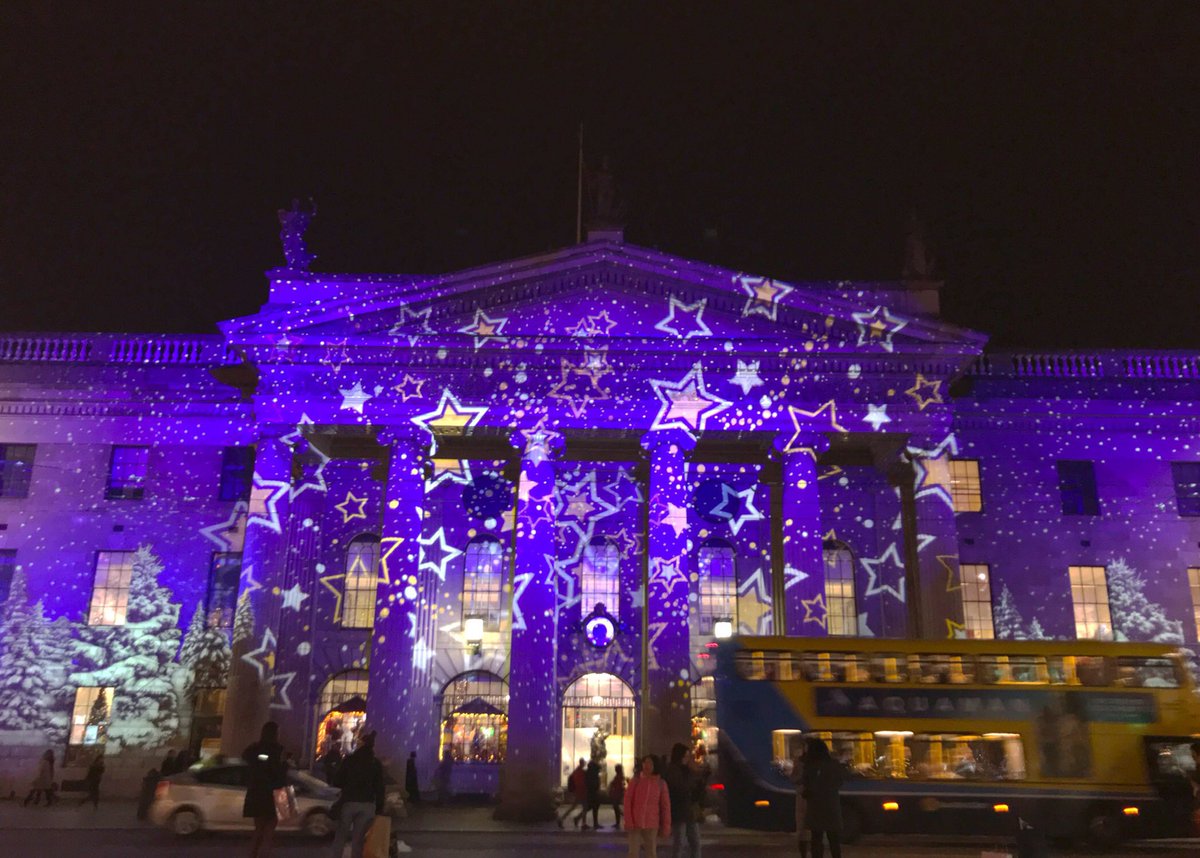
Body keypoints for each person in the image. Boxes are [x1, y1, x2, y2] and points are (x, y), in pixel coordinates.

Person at [329, 730, 386, 858]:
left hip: (349, 802)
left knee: (340, 837)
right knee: (358, 840)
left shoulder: (350, 760)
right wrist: (380, 807)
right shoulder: (375, 763)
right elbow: (380, 787)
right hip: (367, 804)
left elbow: (337, 781)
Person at [242, 721, 288, 858]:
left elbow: (246, 757)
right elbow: (281, 772)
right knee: (269, 832)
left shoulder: (254, 748)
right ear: (275, 734)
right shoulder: (279, 750)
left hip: (257, 791)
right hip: (276, 792)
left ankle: (253, 855)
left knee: (258, 830)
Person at [802, 738, 844, 858]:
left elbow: (806, 783)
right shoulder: (834, 764)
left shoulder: (810, 766)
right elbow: (840, 782)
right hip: (831, 805)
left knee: (816, 838)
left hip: (815, 806)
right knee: (834, 839)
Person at [623, 754, 670, 858]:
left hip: (652, 824)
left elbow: (665, 807)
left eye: (650, 763)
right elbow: (627, 801)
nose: (646, 765)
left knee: (651, 853)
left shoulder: (661, 784)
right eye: (645, 763)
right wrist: (628, 820)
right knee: (633, 853)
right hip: (635, 823)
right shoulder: (635, 781)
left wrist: (666, 826)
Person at [664, 743, 701, 858]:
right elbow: (681, 788)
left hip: (688, 811)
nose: (687, 759)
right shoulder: (673, 770)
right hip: (679, 812)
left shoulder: (685, 770)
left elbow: (694, 789)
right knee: (680, 843)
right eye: (685, 756)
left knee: (695, 843)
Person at [790, 747, 810, 858]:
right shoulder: (817, 762)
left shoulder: (798, 762)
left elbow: (793, 778)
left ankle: (803, 853)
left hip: (801, 796)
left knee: (802, 826)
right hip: (812, 797)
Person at [557, 758, 588, 828]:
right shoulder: (582, 772)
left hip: (577, 791)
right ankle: (583, 823)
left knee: (574, 807)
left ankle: (562, 819)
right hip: (581, 792)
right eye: (584, 763)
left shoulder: (575, 772)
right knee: (585, 807)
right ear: (582, 763)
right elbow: (583, 783)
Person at [584, 759, 602, 830]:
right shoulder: (592, 775)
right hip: (593, 793)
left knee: (592, 807)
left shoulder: (589, 773)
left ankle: (595, 823)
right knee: (593, 807)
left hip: (591, 793)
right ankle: (595, 823)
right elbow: (593, 784)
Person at [609, 763, 627, 830]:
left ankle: (620, 821)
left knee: (616, 808)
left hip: (617, 794)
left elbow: (617, 785)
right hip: (617, 794)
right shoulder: (620, 776)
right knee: (616, 809)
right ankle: (618, 822)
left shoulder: (619, 776)